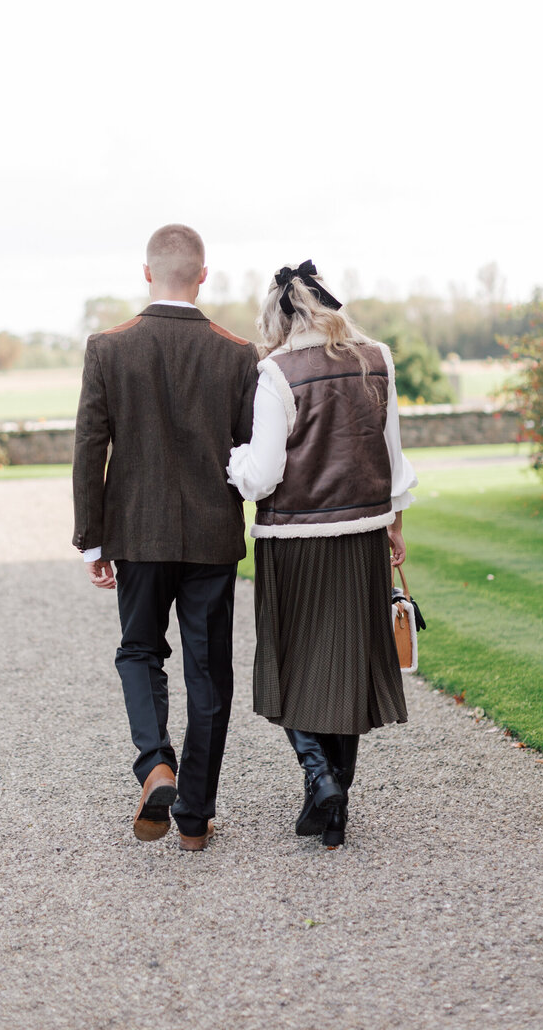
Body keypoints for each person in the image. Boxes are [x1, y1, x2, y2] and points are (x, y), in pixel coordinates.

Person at [73, 225, 259, 851]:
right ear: (203, 275)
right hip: (211, 536)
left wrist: (92, 539)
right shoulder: (238, 354)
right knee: (209, 673)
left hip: (138, 533)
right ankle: (196, 817)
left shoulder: (108, 347)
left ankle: (156, 764)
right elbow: (247, 455)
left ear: (146, 272)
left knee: (138, 652)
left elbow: (89, 450)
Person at [227, 260, 417, 848]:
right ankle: (335, 799)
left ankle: (319, 777)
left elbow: (261, 476)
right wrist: (395, 525)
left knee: (291, 662)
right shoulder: (377, 359)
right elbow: (393, 457)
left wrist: (232, 461)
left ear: (278, 318)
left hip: (294, 540)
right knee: (349, 666)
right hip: (363, 534)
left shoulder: (276, 372)